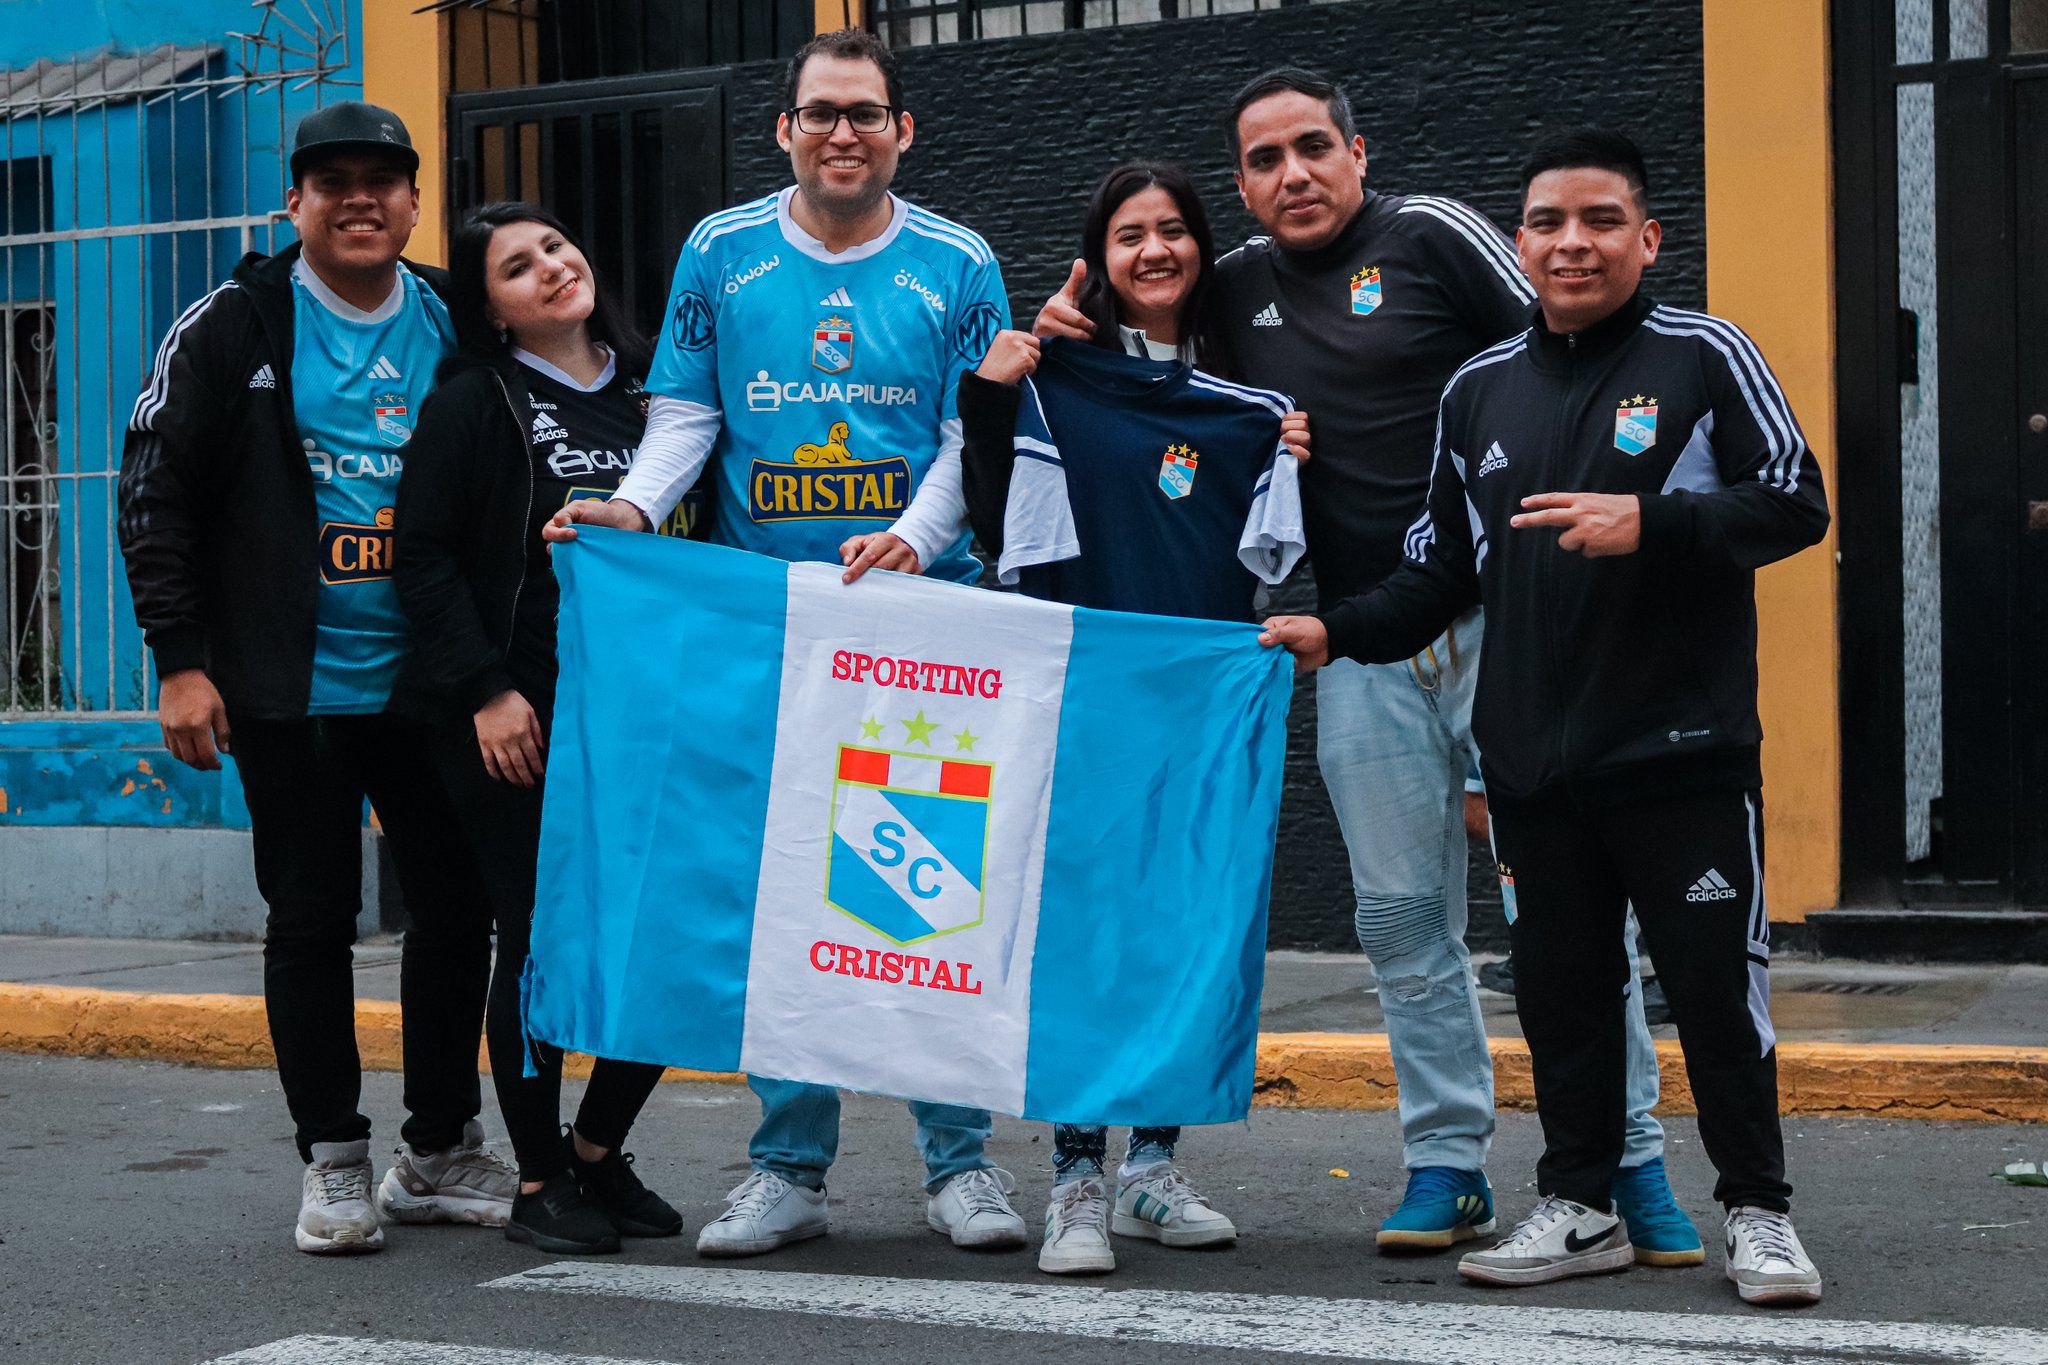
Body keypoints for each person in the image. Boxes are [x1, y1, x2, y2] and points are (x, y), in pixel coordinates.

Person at [1034, 67, 1691, 1263]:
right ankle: (1445, 1166)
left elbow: (1566, 351)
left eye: (1309, 149)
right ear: (1239, 183)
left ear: (1356, 152)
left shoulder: (1432, 234)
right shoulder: (1232, 287)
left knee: (1560, 917)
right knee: (1398, 922)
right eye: (1262, 160)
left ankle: (1631, 1163)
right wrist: (1061, 334)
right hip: (1357, 643)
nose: (1290, 175)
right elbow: (1149, 357)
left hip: (1514, 632)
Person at [1260, 128, 1828, 1306]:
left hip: (1677, 756)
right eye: (1547, 225)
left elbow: (1794, 500)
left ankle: (1758, 1214)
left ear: (1645, 237)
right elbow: (1437, 569)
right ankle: (1577, 1205)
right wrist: (1338, 629)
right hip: (1528, 764)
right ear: (1519, 243)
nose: (1572, 244)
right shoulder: (1477, 390)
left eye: (1599, 221)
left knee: (1718, 997)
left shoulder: (1704, 356)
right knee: (1562, 997)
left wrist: (1654, 523)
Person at [544, 27, 1027, 1257]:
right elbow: (687, 414)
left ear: (901, 131)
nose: (843, 133)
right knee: (786, 888)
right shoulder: (722, 251)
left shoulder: (957, 262)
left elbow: (973, 441)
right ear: (786, 131)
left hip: (922, 625)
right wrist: (635, 510)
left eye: (866, 113)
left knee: (926, 884)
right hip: (774, 628)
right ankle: (788, 1167)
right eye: (821, 113)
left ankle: (957, 1163)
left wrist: (916, 540)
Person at [117, 102, 512, 1254]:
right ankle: (332, 1160)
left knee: (456, 912)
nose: (359, 200)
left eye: (382, 180)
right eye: (332, 181)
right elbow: (153, 496)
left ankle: (437, 1149)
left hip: (431, 686)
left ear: (412, 201)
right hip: (286, 690)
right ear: (293, 202)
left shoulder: (453, 311)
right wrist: (182, 664)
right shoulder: (235, 324)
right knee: (310, 919)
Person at [958, 161, 1308, 1275]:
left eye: (1170, 231)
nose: (1151, 250)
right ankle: (1072, 1179)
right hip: (1082, 700)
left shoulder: (1254, 408)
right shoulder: (1057, 380)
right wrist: (993, 388)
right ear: (1097, 259)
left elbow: (1285, 561)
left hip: (1200, 710)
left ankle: (1152, 1169)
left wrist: (1291, 457)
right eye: (1127, 236)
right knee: (1082, 937)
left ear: (1200, 249)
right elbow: (984, 517)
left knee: (1176, 931)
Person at [393, 203, 690, 1256]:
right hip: (520, 716)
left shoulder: (665, 386)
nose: (552, 268)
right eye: (518, 267)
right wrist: (483, 690)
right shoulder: (477, 400)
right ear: (492, 310)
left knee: (667, 935)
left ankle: (597, 1153)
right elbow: (419, 556)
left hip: (659, 719)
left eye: (558, 246)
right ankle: (534, 1179)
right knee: (540, 946)